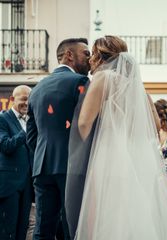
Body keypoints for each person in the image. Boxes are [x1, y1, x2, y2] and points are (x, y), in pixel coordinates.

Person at [67, 35, 167, 239]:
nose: (90, 59)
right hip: (135, 158)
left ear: (99, 56)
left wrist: (87, 148)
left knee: (108, 213)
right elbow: (155, 128)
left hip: (108, 157)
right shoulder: (139, 90)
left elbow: (83, 122)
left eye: (93, 54)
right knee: (135, 212)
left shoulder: (104, 79)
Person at [26, 38, 90, 239]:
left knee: (42, 229)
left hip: (41, 168)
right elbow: (86, 125)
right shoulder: (80, 82)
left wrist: (46, 153)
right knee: (73, 226)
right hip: (72, 167)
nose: (90, 59)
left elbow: (31, 136)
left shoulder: (36, 89)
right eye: (86, 54)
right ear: (69, 55)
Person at [0, 85, 32, 240]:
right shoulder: (2, 119)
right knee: (7, 230)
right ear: (12, 99)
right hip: (9, 185)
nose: (27, 103)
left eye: (29, 100)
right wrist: (26, 132)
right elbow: (6, 146)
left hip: (27, 185)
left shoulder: (30, 120)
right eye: (23, 99)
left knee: (22, 230)